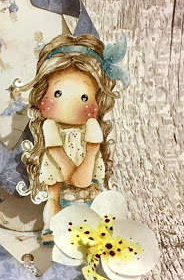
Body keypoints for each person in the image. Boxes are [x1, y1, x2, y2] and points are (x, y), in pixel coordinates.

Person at [18, 34, 117, 240]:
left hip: (86, 165)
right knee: (55, 196)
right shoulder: (49, 126)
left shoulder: (92, 125)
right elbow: (56, 151)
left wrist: (83, 172)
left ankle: (93, 228)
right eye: (58, 94)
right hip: (56, 164)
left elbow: (92, 151)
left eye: (84, 97)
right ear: (43, 93)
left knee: (94, 196)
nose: (70, 104)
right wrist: (72, 175)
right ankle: (52, 228)